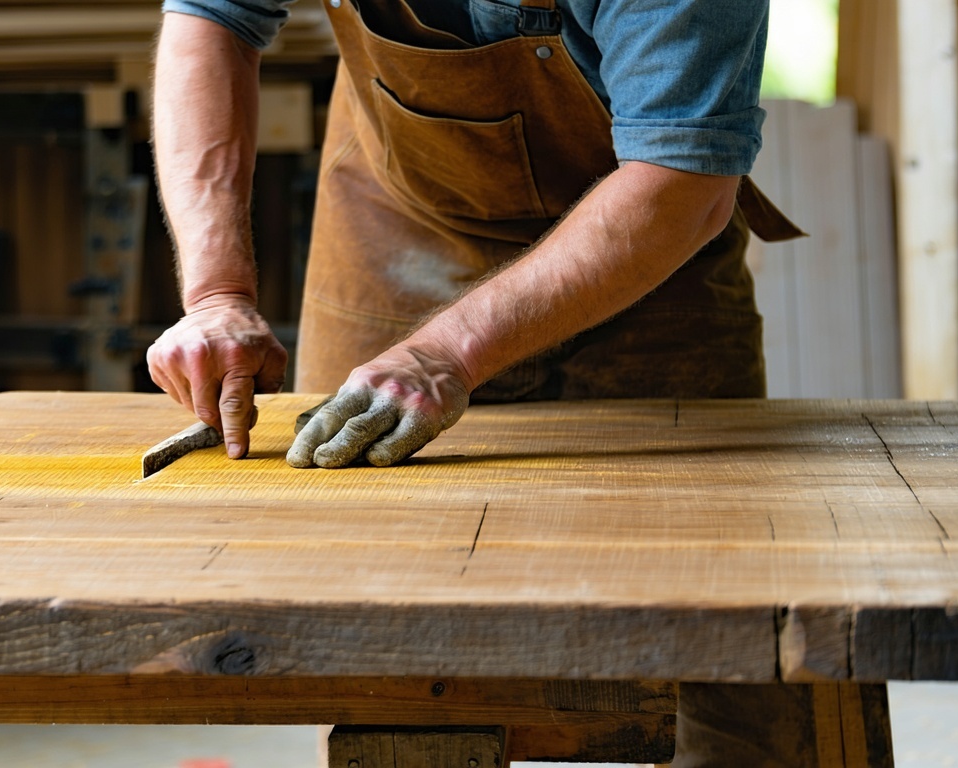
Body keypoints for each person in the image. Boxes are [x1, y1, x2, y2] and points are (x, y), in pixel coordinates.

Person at [147, 1, 817, 765]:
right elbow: (212, 17)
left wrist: (446, 353)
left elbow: (684, 185)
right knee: (383, 651)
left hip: (651, 253)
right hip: (398, 229)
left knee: (733, 649)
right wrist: (215, 295)